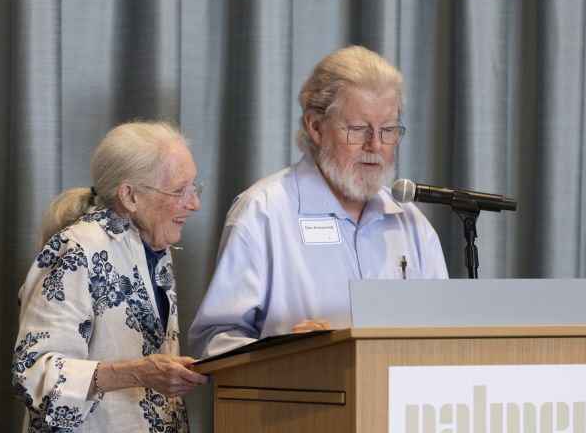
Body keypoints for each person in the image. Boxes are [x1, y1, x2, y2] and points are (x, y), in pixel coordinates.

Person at [189, 46, 448, 359]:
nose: (375, 145)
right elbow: (214, 342)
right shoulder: (263, 212)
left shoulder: (411, 222)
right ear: (315, 127)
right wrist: (290, 350)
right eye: (358, 129)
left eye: (388, 130)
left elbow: (442, 333)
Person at [12, 120, 209, 433]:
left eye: (194, 187)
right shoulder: (76, 249)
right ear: (130, 196)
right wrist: (139, 373)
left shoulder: (154, 248)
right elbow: (34, 375)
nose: (194, 204)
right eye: (179, 190)